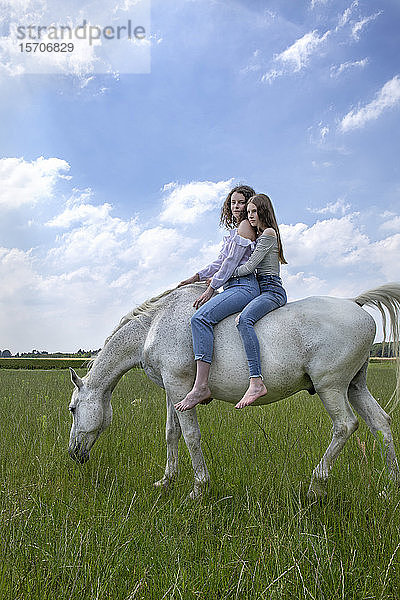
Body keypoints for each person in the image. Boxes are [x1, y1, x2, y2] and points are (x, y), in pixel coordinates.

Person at [175, 184, 259, 411]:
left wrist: (211, 288)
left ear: (250, 204)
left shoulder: (245, 227)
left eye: (242, 202)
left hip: (244, 287)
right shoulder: (234, 232)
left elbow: (231, 264)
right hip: (232, 286)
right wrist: (196, 277)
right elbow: (220, 262)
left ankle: (201, 386)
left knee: (200, 319)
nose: (237, 207)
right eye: (233, 202)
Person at [233, 194, 287, 409]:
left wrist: (222, 274)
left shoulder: (269, 234)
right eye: (248, 213)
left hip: (271, 290)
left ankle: (256, 380)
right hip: (259, 289)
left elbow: (249, 267)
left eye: (254, 211)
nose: (251, 216)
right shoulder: (259, 235)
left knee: (244, 320)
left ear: (264, 210)